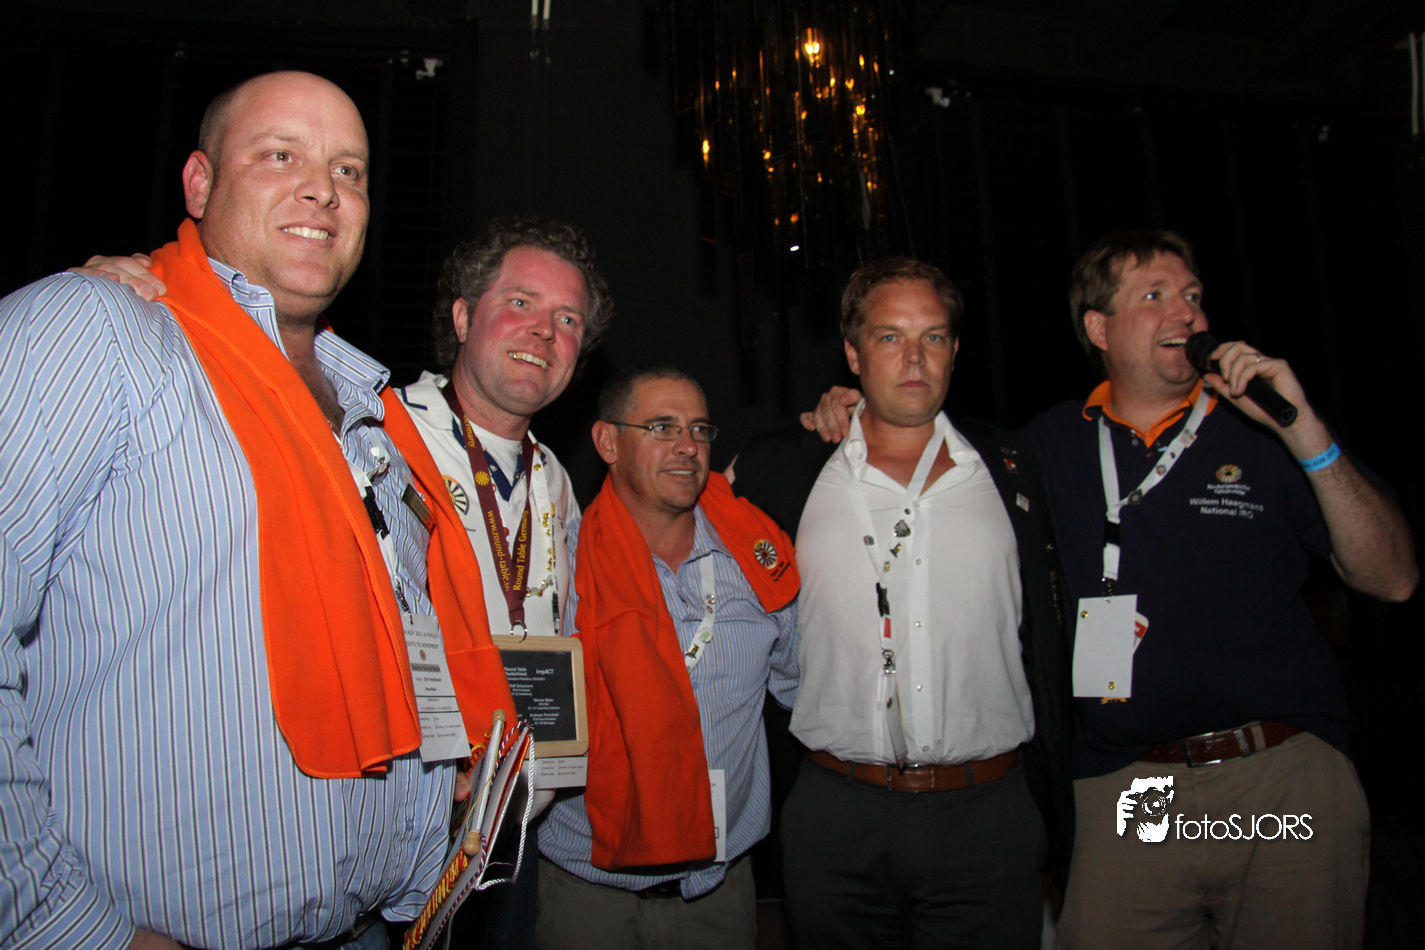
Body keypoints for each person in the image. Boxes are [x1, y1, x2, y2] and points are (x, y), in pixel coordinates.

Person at [0, 71, 512, 950]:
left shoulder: (375, 421)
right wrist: (65, 928)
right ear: (200, 184)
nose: (323, 189)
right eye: (281, 155)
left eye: (348, 170)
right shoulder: (94, 332)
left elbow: (402, 638)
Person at [1026, 230, 1417, 949]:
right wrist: (838, 415)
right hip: (1131, 783)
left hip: (1278, 771)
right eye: (1154, 296)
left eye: (1194, 296)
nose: (1187, 313)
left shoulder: (1261, 430)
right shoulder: (1051, 443)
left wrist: (1304, 430)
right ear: (1098, 328)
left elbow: (1391, 578)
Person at [733, 257, 1072, 949]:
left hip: (989, 814)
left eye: (932, 336)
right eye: (890, 337)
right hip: (836, 814)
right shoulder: (785, 467)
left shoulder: (1015, 466)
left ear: (955, 350)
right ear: (853, 355)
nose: (914, 357)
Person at [396, 217, 612, 949]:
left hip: (515, 837)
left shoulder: (555, 481)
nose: (545, 331)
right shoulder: (379, 437)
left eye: (568, 319)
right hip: (405, 838)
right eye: (520, 302)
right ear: (463, 317)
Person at [535, 366, 801, 950]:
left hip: (720, 893)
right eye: (662, 427)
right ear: (608, 442)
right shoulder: (558, 567)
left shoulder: (757, 559)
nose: (688, 446)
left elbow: (804, 689)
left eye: (700, 429)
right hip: (589, 894)